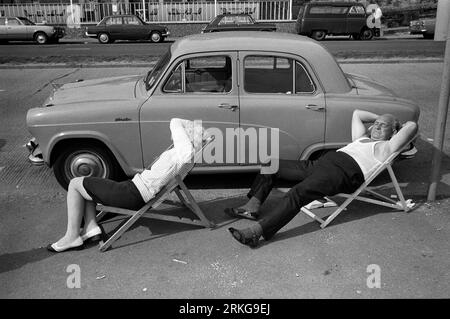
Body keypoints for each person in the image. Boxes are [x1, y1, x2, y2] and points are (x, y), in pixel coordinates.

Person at [225, 110, 418, 248]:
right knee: (270, 164)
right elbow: (357, 114)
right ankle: (252, 208)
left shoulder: (386, 148)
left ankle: (256, 233)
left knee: (297, 194)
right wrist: (380, 117)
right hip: (320, 165)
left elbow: (412, 126)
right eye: (375, 124)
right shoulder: (362, 138)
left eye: (383, 126)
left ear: (394, 133)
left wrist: (395, 124)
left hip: (341, 173)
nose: (376, 127)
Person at [47, 118, 208, 253]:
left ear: (186, 138)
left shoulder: (184, 153)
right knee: (85, 186)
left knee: (75, 183)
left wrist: (184, 123)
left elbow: (175, 121)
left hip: (132, 194)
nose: (174, 136)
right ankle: (90, 228)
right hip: (131, 189)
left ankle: (72, 236)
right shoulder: (181, 153)